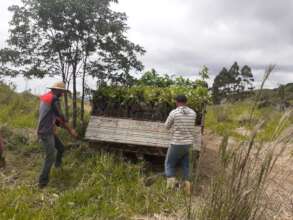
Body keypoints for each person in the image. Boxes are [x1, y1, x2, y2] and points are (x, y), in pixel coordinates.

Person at [37, 82, 78, 188]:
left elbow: (57, 120)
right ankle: (42, 182)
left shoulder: (47, 97)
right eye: (62, 92)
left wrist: (62, 126)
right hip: (46, 132)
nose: (63, 94)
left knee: (61, 148)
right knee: (50, 157)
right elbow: (61, 116)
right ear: (57, 90)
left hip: (48, 130)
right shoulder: (53, 99)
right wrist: (71, 130)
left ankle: (58, 167)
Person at [164, 94, 197, 194]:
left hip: (177, 143)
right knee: (186, 166)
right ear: (186, 102)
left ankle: (170, 188)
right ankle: (188, 190)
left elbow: (166, 126)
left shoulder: (174, 113)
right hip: (189, 144)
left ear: (176, 102)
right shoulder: (193, 113)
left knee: (169, 164)